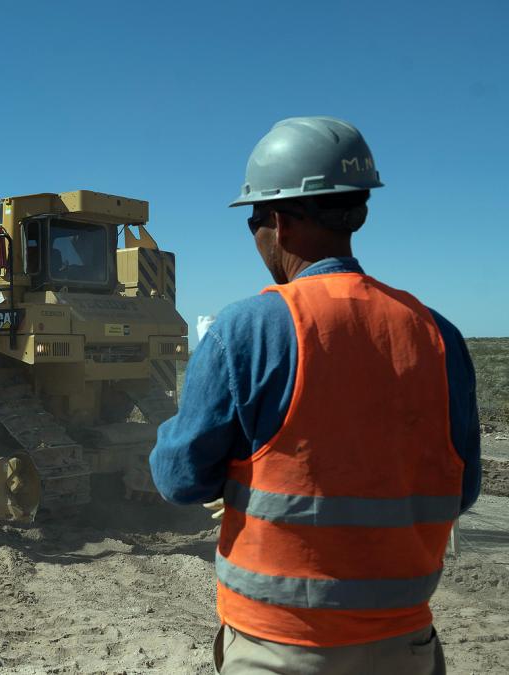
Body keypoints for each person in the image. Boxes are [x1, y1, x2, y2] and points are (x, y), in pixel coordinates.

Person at [149, 116, 480, 674]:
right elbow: (462, 488)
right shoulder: (439, 334)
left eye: (252, 220)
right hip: (406, 645)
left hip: (277, 648)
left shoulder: (247, 329)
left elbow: (180, 480)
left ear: (276, 221)